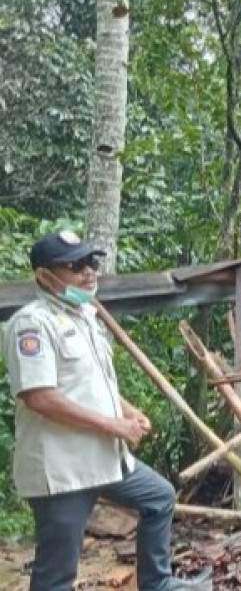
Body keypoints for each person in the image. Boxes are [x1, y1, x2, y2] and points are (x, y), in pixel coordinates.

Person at [2, 231, 207, 591]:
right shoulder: (32, 324)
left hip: (103, 459)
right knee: (57, 572)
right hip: (63, 470)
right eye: (75, 266)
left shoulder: (84, 316)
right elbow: (40, 397)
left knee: (158, 497)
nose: (88, 272)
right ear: (44, 276)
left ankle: (156, 583)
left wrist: (127, 412)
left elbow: (93, 383)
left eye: (91, 263)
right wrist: (113, 426)